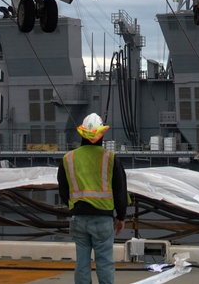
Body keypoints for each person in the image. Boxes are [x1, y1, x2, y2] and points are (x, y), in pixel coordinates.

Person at [58, 113, 128, 284]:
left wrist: (73, 206)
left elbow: (63, 190)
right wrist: (120, 217)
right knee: (104, 261)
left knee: (82, 262)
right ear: (101, 134)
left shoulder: (68, 159)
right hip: (103, 219)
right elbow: (120, 191)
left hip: (78, 218)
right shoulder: (110, 158)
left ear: (82, 134)